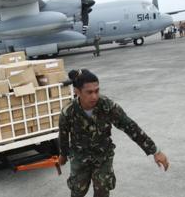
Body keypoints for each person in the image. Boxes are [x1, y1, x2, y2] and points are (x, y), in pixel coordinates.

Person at [58, 69, 169, 197]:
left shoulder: (107, 106)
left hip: (103, 156)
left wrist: (155, 151)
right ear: (77, 92)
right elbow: (64, 135)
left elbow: (130, 127)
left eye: (97, 91)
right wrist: (63, 154)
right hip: (79, 157)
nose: (94, 96)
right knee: (78, 191)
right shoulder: (68, 112)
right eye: (89, 92)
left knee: (103, 190)